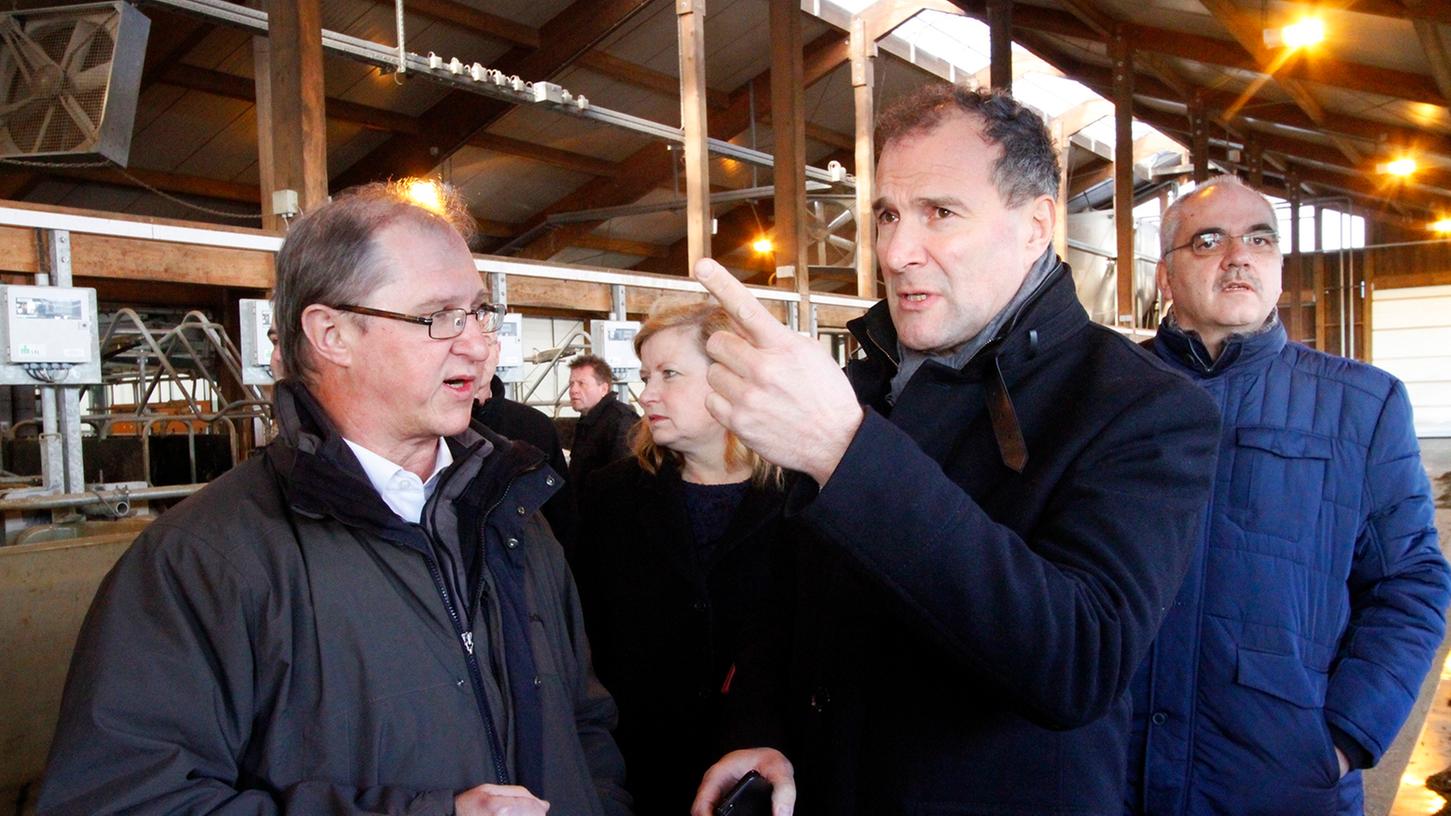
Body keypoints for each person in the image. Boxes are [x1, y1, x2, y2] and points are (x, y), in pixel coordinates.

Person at [689, 84, 1223, 816]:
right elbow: (782, 604)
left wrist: (847, 454)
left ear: (1036, 224)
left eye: (939, 213)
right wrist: (759, 728)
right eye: (885, 215)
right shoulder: (861, 382)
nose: (896, 251)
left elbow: (1080, 662)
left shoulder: (1140, 407)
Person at [37, 181, 631, 816]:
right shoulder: (203, 561)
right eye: (439, 317)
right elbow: (126, 800)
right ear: (332, 334)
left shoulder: (511, 514)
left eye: (480, 313)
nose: (479, 344)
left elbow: (584, 725)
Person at [1125, 175, 1451, 815]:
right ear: (1165, 277)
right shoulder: (1105, 390)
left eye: (1260, 239)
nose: (1238, 254)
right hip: (1110, 771)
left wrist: (1343, 739)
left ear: (1277, 267)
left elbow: (1410, 582)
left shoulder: (1361, 403)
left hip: (1279, 782)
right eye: (1208, 240)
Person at [576, 300, 787, 816]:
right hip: (637, 773)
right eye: (647, 375)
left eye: (670, 374)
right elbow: (586, 641)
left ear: (732, 378)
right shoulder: (609, 497)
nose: (647, 394)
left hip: (765, 778)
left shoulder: (801, 499)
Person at [474, 357, 577, 549]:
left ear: (498, 350)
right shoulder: (429, 431)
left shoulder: (536, 426)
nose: (476, 350)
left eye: (486, 339)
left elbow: (562, 517)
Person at [566, 353, 638, 493]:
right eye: (571, 384)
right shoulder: (587, 421)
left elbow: (625, 479)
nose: (573, 390)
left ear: (604, 389)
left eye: (582, 384)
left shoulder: (621, 421)